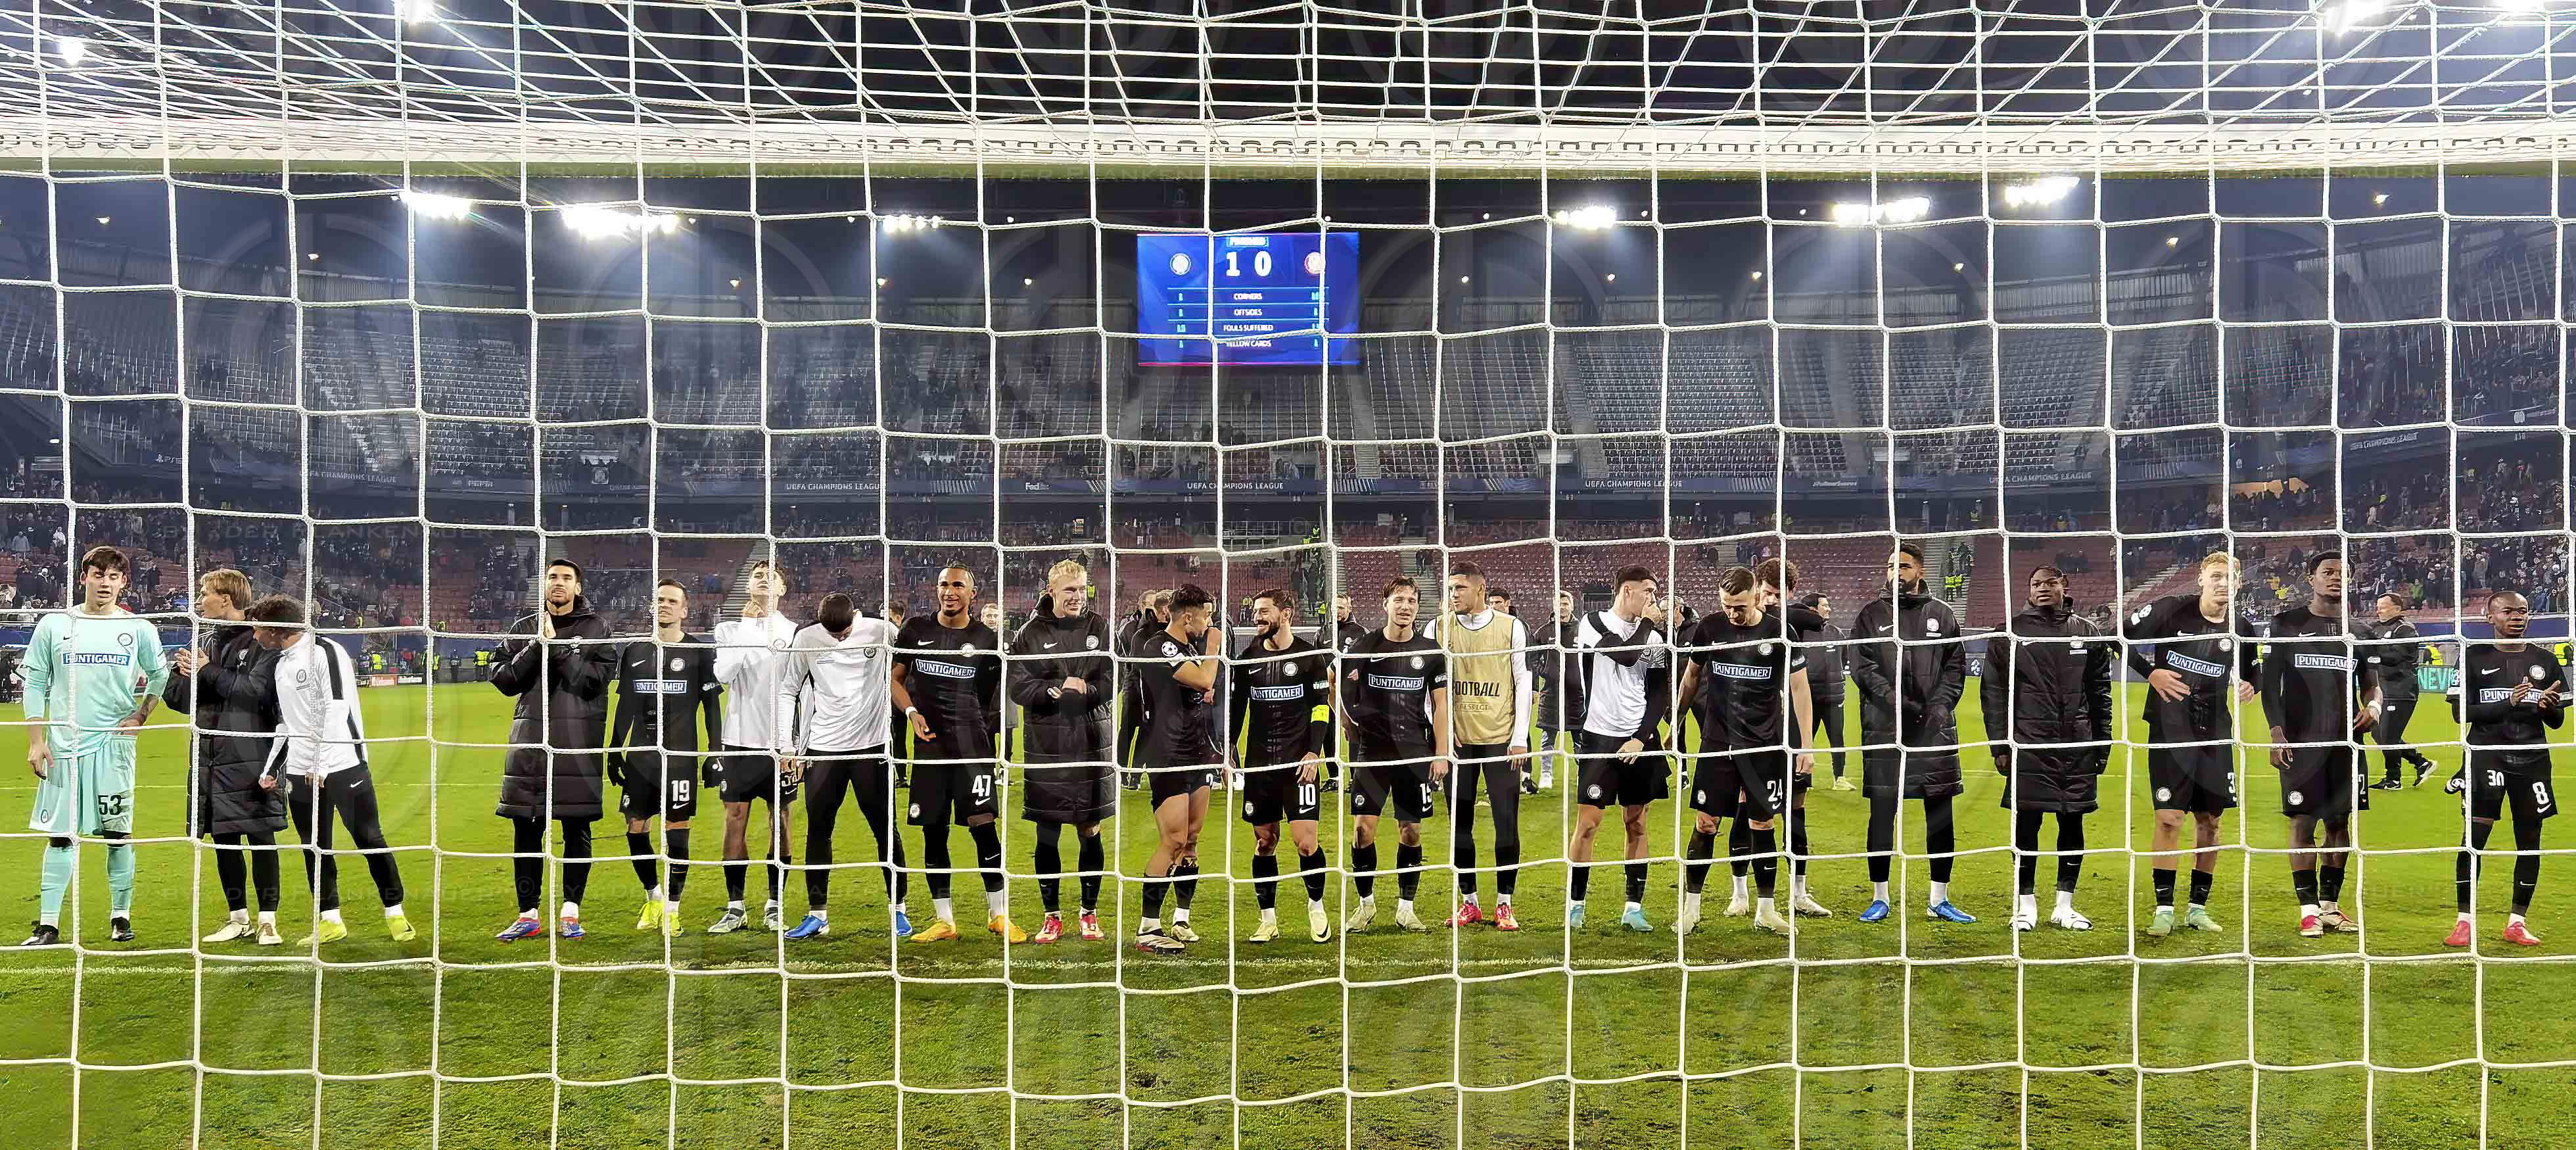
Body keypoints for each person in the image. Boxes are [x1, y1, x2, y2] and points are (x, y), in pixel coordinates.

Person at [19, 546, 169, 947]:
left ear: (124, 583)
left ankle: (121, 918)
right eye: (98, 573)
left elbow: (160, 675)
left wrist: (140, 716)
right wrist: (37, 741)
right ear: (83, 576)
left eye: (114, 576)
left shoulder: (139, 629)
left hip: (113, 745)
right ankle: (48, 925)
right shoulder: (54, 624)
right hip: (64, 746)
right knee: (60, 835)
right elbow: (34, 683)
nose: (105, 582)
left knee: (118, 833)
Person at [251, 596, 414, 946]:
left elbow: (337, 708)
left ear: (277, 629)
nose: (254, 633)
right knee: (314, 846)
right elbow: (286, 724)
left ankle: (395, 912)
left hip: (342, 764)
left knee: (369, 838)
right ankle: (329, 920)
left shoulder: (326, 651)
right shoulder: (280, 664)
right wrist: (271, 769)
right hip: (300, 771)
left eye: (258, 626)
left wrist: (321, 764)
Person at [1674, 567, 1811, 937]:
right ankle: (1691, 910)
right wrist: (1675, 721)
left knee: (1762, 824)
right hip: (1717, 743)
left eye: (1738, 606)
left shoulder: (1781, 633)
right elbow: (1691, 677)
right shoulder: (1710, 628)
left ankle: (1766, 910)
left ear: (1757, 597)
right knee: (1706, 823)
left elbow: (1800, 689)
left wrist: (1807, 746)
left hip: (1764, 745)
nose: (1732, 613)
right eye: (1725, 605)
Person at [2126, 552, 2257, 938]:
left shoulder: (2242, 628)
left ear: (2238, 584)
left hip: (2215, 734)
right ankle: (2164, 909)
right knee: (2169, 818)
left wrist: (2252, 684)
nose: (2222, 583)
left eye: (2230, 577)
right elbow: (2117, 637)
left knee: (2211, 822)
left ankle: (2197, 908)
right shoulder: (2170, 611)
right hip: (2170, 732)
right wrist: (2152, 673)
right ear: (2200, 579)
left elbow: (2254, 671)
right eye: (2215, 575)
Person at [1982, 566, 2114, 932]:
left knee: (2072, 822)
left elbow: (2100, 691)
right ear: (2029, 590)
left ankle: (2064, 906)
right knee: (2027, 824)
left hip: (2077, 743)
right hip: (2028, 743)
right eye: (2036, 584)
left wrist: (2102, 743)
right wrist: (1999, 745)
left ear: (2064, 587)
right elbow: (1994, 694)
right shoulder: (2010, 632)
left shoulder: (2087, 632)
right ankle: (2026, 906)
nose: (2043, 589)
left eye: (2050, 583)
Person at [1849, 542, 1975, 925]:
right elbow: (1861, 664)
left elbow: (1955, 668)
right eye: (1891, 566)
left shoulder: (1943, 614)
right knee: (1882, 814)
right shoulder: (1871, 615)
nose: (1895, 573)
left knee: (1940, 814)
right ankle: (1880, 897)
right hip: (1885, 728)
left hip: (1935, 732)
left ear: (1920, 570)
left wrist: (1938, 708)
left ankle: (1940, 898)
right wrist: (1894, 700)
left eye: (1903, 566)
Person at [491, 558, 615, 942]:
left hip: (577, 748)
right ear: (543, 585)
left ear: (579, 587)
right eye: (551, 577)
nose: (557, 583)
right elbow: (505, 680)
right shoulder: (523, 628)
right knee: (526, 831)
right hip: (529, 747)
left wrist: (559, 649)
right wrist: (537, 645)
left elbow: (595, 682)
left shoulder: (598, 629)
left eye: (566, 578)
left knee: (576, 827)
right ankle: (528, 914)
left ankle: (570, 912)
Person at [892, 565, 1018, 943]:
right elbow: (896, 681)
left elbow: (987, 696)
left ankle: (998, 915)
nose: (949, 591)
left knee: (983, 826)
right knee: (933, 830)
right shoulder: (915, 630)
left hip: (972, 749)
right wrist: (912, 712)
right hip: (930, 748)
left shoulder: (986, 638)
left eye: (958, 585)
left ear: (972, 593)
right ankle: (944, 920)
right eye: (944, 585)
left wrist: (969, 726)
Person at [164, 569, 288, 946]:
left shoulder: (263, 641)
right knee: (224, 839)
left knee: (261, 836)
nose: (199, 600)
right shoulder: (201, 641)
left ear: (228, 599)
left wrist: (207, 671)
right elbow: (176, 700)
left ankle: (269, 920)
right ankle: (239, 919)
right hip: (209, 757)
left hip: (252, 757)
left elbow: (256, 693)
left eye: (205, 593)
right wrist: (187, 674)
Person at [775, 591, 908, 940]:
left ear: (856, 618)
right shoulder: (806, 639)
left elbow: (906, 669)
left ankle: (899, 910)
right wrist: (788, 746)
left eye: (844, 633)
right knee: (818, 830)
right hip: (823, 749)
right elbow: (788, 690)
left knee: (884, 828)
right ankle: (817, 914)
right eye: (833, 635)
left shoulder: (880, 631)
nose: (838, 639)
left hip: (871, 747)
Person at [2260, 554, 2376, 937]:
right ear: (2311, 578)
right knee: (2303, 821)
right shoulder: (2286, 623)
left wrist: (2374, 705)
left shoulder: (2359, 630)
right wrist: (2277, 734)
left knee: (2339, 823)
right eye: (2329, 572)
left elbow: (2371, 684)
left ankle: (2330, 906)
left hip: (2347, 744)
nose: (2336, 579)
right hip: (2302, 743)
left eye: (2344, 573)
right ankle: (2307, 909)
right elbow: (2270, 685)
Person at [606, 579, 722, 936]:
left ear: (685, 610)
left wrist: (713, 754)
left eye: (673, 601)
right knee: (635, 828)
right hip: (641, 757)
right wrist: (614, 748)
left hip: (681, 759)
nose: (665, 605)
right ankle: (653, 897)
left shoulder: (699, 652)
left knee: (677, 830)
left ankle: (673, 908)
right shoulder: (636, 650)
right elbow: (626, 702)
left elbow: (712, 707)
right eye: (660, 600)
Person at [1336, 577, 1451, 934]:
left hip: (1415, 752)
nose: (1406, 607)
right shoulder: (1364, 646)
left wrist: (1442, 753)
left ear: (1419, 607)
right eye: (1399, 600)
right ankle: (1366, 905)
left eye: (1412, 601)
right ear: (1385, 603)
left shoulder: (1432, 651)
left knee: (1411, 833)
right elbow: (1336, 684)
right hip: (1373, 752)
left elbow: (1442, 704)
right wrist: (1348, 725)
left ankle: (1406, 909)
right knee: (1361, 832)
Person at [1010, 561, 1116, 944]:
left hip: (1091, 743)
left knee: (1090, 828)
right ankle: (1051, 915)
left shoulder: (1099, 628)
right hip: (1047, 746)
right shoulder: (1029, 635)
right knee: (1048, 832)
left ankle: (1089, 913)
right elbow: (1018, 688)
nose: (1077, 597)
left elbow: (1114, 679)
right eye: (1070, 590)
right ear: (1051, 590)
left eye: (1082, 589)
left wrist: (1085, 692)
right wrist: (1057, 691)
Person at [2445, 589, 2552, 948]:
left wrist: (2547, 706)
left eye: (2522, 611)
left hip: (2532, 759)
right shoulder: (2471, 657)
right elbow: (2462, 713)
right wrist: (2509, 701)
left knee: (2530, 842)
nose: (2517, 617)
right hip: (2486, 756)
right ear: (2489, 616)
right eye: (2508, 611)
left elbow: (2556, 721)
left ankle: (2517, 922)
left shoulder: (2544, 660)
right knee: (2475, 839)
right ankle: (2464, 922)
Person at [1566, 565, 1671, 933]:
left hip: (1638, 740)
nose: (1653, 601)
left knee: (1637, 822)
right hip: (1599, 737)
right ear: (1627, 592)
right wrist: (1649, 624)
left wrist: (1641, 738)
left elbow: (1659, 693)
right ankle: (1576, 905)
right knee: (1589, 824)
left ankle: (1633, 908)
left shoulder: (1655, 640)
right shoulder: (1592, 623)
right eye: (1649, 592)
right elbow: (1625, 655)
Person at [1427, 562, 1531, 932]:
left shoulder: (1512, 627)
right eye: (1450, 589)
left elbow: (1523, 680)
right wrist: (1442, 730)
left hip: (1501, 741)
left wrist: (1520, 739)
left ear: (1480, 588)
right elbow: (1429, 684)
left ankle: (1505, 903)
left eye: (1459, 588)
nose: (1452, 595)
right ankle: (1469, 902)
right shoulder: (1438, 626)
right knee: (1461, 825)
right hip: (1458, 744)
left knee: (1506, 823)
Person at [1230, 587, 1334, 944]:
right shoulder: (1247, 659)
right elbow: (1237, 710)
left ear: (1286, 614)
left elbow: (1322, 707)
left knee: (1306, 842)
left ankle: (1316, 907)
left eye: (1264, 612)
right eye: (1255, 611)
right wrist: (1230, 748)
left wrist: (1314, 752)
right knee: (1265, 842)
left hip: (1300, 764)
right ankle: (1268, 920)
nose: (1256, 617)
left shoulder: (1310, 658)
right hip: (1260, 765)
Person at [708, 560, 799, 934]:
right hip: (739, 742)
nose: (764, 580)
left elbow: (803, 691)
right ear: (748, 586)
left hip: (781, 747)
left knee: (780, 821)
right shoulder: (729, 629)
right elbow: (724, 675)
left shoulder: (795, 633)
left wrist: (797, 746)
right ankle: (735, 907)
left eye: (771, 576)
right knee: (735, 820)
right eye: (757, 575)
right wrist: (749, 625)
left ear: (783, 589)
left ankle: (775, 904)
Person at [1133, 585, 1225, 953]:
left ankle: (1181, 920)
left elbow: (1204, 695)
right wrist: (1214, 646)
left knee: (1191, 841)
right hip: (1168, 753)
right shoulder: (1161, 646)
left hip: (1198, 751)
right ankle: (1147, 928)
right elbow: (1205, 681)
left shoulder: (1187, 649)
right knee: (1171, 840)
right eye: (1206, 616)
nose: (1209, 623)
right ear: (1188, 617)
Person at [1753, 560, 1837, 917]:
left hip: (1789, 731)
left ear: (1790, 593)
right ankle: (1743, 893)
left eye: (1779, 594)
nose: (1771, 600)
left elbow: (1801, 687)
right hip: (1752, 735)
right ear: (1756, 587)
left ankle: (1800, 892)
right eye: (1767, 592)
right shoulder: (1736, 624)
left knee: (1796, 811)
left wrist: (1806, 744)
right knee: (1751, 813)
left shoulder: (1788, 627)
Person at [2361, 593, 2438, 788]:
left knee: (2388, 736)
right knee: (2378, 733)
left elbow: (2396, 655)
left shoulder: (2405, 629)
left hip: (2401, 689)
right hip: (2382, 689)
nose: (2378, 610)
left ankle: (2394, 779)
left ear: (2397, 608)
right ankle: (2421, 763)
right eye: (2377, 606)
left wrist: (2372, 652)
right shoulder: (2375, 628)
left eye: (2384, 607)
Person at [1528, 588, 1585, 794]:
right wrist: (1544, 671)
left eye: (1565, 604)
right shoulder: (1544, 631)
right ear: (1553, 607)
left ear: (1572, 606)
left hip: (1577, 693)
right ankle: (1546, 774)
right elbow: (1532, 657)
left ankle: (1582, 775)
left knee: (1580, 737)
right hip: (1551, 692)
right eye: (1558, 604)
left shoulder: (1582, 629)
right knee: (1548, 735)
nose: (1562, 608)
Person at [1115, 588, 1172, 792]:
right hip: (1133, 684)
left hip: (1154, 689)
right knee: (1128, 731)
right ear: (1142, 606)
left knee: (1147, 732)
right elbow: (1121, 658)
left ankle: (1137, 774)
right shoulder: (1131, 629)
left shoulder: (1166, 629)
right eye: (1150, 604)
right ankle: (1120, 773)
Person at [1797, 592, 1854, 792]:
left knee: (1837, 738)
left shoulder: (1836, 633)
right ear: (1812, 609)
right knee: (1805, 739)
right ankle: (1805, 782)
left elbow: (1844, 657)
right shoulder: (1798, 635)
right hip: (1808, 698)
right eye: (1825, 605)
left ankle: (1840, 778)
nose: (1829, 609)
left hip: (1834, 697)